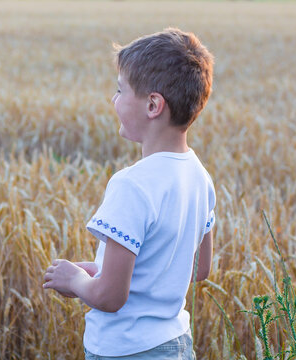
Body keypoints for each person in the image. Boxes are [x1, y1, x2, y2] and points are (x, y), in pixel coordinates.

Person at [43, 28, 216, 359]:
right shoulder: (199, 175)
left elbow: (109, 297)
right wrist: (98, 272)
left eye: (121, 90)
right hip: (177, 344)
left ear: (153, 105)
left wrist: (75, 281)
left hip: (126, 350)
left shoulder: (131, 185)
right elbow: (198, 269)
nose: (114, 99)